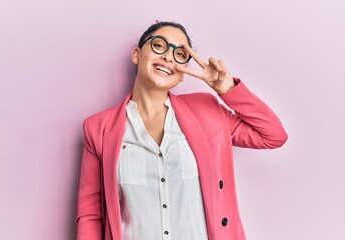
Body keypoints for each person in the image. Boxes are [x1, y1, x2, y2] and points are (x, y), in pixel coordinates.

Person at [76, 21, 288, 240]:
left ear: (182, 73)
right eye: (159, 46)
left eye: (179, 54)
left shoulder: (207, 111)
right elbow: (91, 214)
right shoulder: (98, 129)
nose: (169, 57)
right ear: (137, 55)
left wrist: (226, 89)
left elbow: (272, 135)